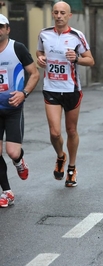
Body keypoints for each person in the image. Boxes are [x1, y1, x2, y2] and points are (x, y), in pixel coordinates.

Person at [36, 1, 95, 187]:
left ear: (69, 15)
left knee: (71, 130)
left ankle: (71, 167)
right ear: (52, 14)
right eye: (56, 12)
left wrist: (77, 58)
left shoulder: (77, 36)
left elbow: (90, 60)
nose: (59, 15)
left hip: (71, 89)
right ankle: (61, 156)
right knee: (54, 133)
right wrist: (41, 59)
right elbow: (39, 53)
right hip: (51, 87)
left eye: (63, 13)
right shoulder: (44, 34)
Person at [0, 14, 40, 207]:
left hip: (14, 108)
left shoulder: (17, 48)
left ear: (8, 29)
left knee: (12, 152)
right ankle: (7, 192)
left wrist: (24, 93)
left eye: (1, 27)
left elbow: (34, 74)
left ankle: (19, 162)